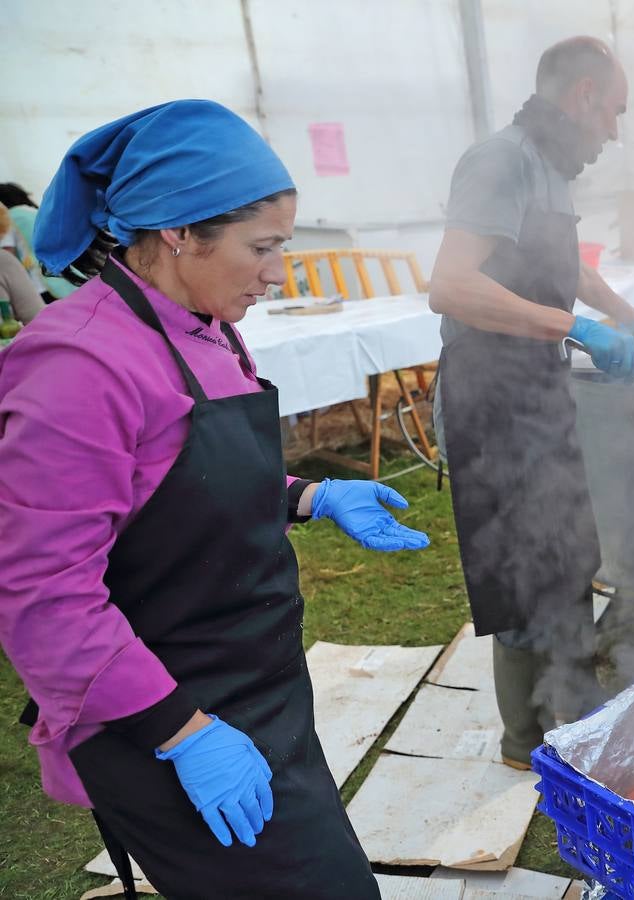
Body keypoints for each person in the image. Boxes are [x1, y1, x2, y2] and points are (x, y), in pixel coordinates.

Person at [0, 100, 430, 900]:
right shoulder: (77, 367)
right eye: (261, 248)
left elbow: (182, 482)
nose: (277, 272)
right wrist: (184, 734)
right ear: (177, 233)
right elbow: (41, 600)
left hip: (258, 686)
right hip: (161, 715)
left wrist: (307, 495)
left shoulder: (204, 325)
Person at [429, 36, 634, 770]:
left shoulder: (551, 170)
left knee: (566, 552)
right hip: (490, 397)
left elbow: (565, 270)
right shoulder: (499, 160)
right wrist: (577, 328)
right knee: (519, 567)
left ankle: (573, 707)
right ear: (584, 95)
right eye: (614, 112)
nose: (614, 133)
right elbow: (452, 286)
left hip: (538, 385)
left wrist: (621, 312)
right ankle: (524, 743)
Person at [0, 182, 78, 301]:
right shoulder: (35, 212)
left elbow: (8, 256)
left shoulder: (7, 219)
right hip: (68, 275)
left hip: (40, 282)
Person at [0, 206, 43, 324]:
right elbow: (37, 319)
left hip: (39, 280)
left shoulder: (4, 260)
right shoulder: (30, 212)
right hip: (50, 278)